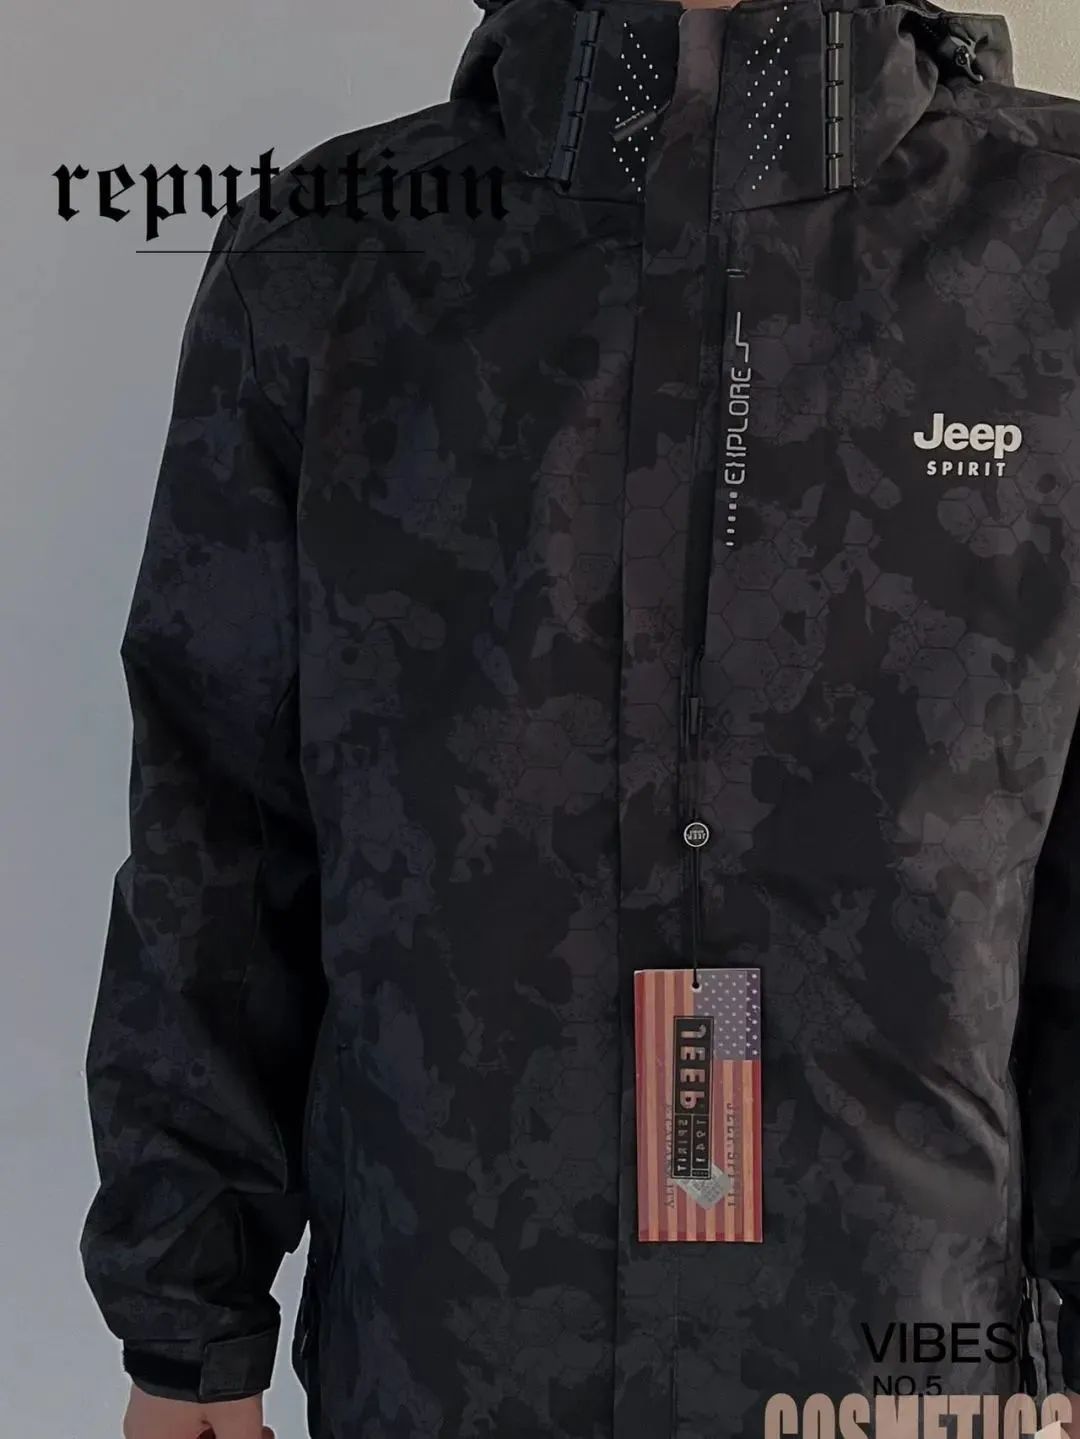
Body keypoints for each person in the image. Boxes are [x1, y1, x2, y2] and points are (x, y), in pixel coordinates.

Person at [80, 0, 1080, 1435]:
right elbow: (218, 825)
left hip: (907, 1358)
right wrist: (188, 1324)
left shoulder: (1049, 241)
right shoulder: (330, 255)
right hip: (448, 1351)